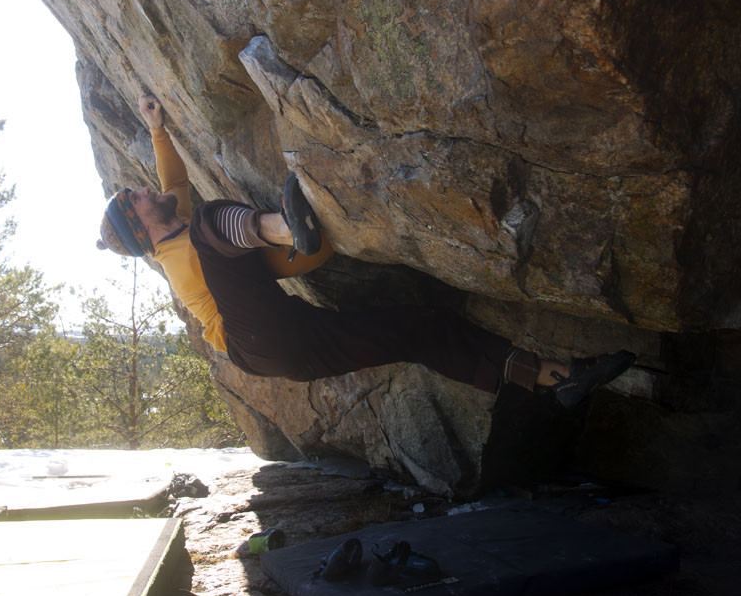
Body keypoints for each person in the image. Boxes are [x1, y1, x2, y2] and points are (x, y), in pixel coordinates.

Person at [96, 94, 634, 408]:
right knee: (210, 223)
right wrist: (298, 246)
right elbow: (219, 245)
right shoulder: (182, 258)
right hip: (254, 342)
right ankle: (285, 226)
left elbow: (173, 181)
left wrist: (156, 128)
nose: (143, 189)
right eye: (133, 198)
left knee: (422, 328)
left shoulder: (169, 225)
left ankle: (554, 379)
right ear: (144, 233)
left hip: (298, 345)